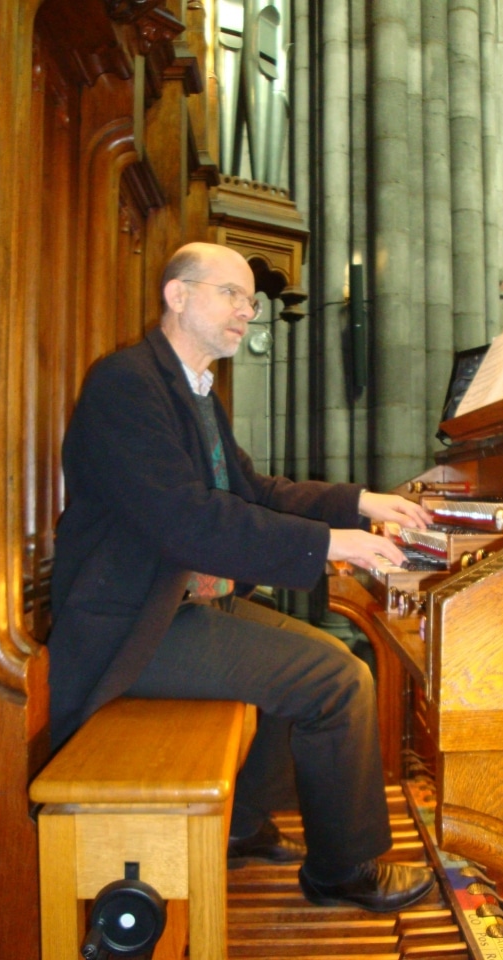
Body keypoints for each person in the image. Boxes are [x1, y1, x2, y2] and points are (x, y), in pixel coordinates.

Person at [47, 241, 435, 913]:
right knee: (338, 679)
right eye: (231, 294)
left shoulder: (194, 391)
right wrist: (333, 543)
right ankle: (342, 869)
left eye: (250, 300)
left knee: (329, 656)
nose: (247, 312)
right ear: (178, 295)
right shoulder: (127, 384)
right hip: (132, 624)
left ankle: (242, 825)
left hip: (182, 605)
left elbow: (253, 491)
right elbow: (188, 523)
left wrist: (359, 504)